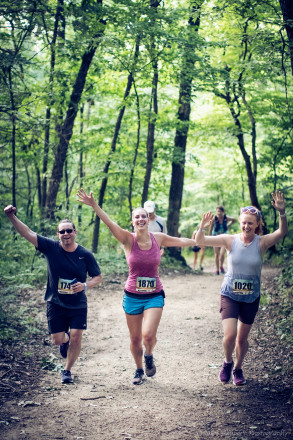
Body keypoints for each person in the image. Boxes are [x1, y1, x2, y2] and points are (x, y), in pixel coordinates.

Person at [77, 189, 197, 385]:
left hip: (154, 294)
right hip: (132, 295)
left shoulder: (158, 238)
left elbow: (182, 241)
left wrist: (200, 239)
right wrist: (94, 205)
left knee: (148, 335)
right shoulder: (127, 239)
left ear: (148, 219)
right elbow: (109, 223)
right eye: (137, 217)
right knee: (134, 339)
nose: (141, 219)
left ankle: (149, 355)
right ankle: (139, 369)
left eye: (144, 216)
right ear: (132, 221)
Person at [196, 191, 288, 386]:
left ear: (257, 225)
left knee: (241, 340)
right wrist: (202, 228)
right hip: (229, 294)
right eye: (243, 223)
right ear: (239, 222)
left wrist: (282, 212)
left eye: (250, 223)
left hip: (250, 298)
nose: (246, 226)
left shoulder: (261, 243)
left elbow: (282, 233)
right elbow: (200, 241)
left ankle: (238, 368)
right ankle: (227, 362)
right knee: (229, 336)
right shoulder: (230, 240)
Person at [4, 206, 102, 384]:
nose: (66, 234)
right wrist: (12, 217)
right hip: (55, 302)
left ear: (75, 232)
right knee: (57, 340)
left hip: (78, 303)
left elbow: (98, 277)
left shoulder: (85, 254)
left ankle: (67, 370)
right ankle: (64, 342)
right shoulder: (50, 247)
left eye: (69, 230)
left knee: (76, 336)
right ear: (58, 234)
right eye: (62, 231)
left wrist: (85, 285)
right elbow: (27, 232)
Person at [209, 206, 236, 275]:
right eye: (217, 211)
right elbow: (211, 228)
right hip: (215, 237)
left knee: (222, 254)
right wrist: (209, 238)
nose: (219, 213)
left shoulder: (225, 218)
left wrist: (227, 225)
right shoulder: (214, 219)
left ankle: (221, 266)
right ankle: (217, 269)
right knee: (216, 254)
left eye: (220, 211)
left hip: (224, 238)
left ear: (223, 212)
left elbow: (234, 220)